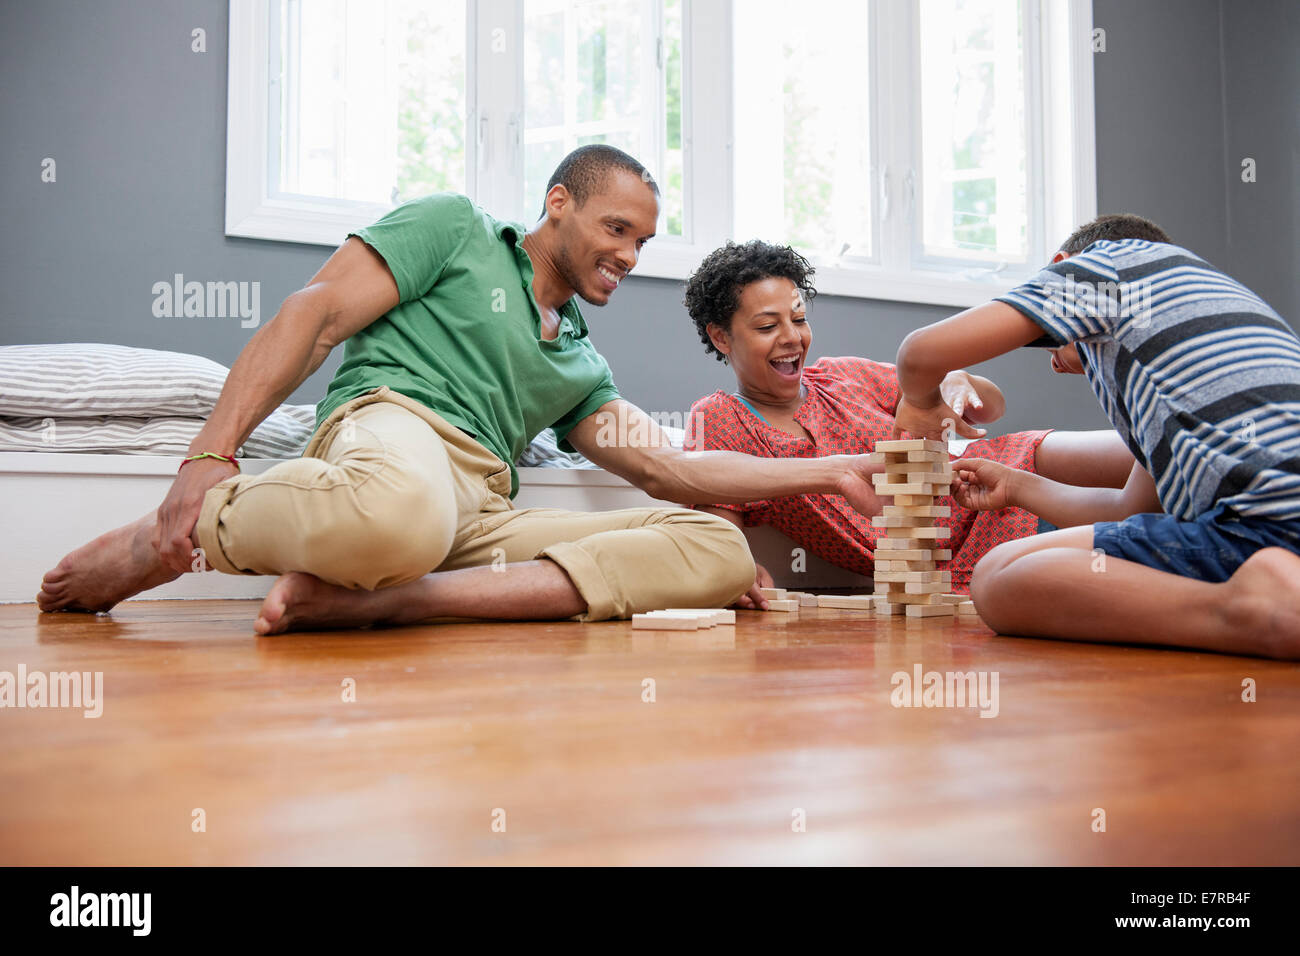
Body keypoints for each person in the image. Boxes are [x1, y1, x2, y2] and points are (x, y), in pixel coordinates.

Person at [37, 146, 885, 633]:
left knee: (717, 551)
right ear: (558, 204)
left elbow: (679, 475)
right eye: (615, 229)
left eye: (643, 241)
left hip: (478, 506)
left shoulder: (581, 365)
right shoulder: (455, 229)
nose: (629, 255)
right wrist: (208, 457)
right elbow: (315, 316)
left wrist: (833, 469)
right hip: (393, 429)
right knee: (401, 511)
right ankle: (169, 537)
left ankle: (394, 600)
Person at [892, 213, 1300, 659]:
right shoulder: (1192, 322)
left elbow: (920, 354)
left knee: (995, 578)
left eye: (1055, 340)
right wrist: (1015, 485)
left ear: (1060, 265)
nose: (1053, 359)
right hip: (1274, 521)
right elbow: (1130, 509)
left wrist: (920, 405)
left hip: (1267, 524)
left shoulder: (1106, 266)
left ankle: (1244, 610)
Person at [681, 240, 1134, 601]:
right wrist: (739, 567)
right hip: (952, 556)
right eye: (766, 327)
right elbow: (719, 519)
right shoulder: (721, 417)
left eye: (798, 319)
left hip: (993, 473)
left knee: (1145, 455)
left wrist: (958, 383)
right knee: (1136, 536)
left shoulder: (845, 375)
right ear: (721, 336)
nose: (792, 338)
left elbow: (990, 408)